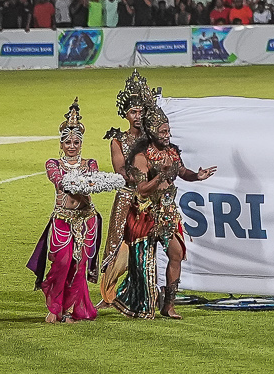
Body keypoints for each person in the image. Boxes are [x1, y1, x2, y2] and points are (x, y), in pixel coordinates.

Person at [120, 96, 217, 320]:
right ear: (152, 132)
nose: (167, 135)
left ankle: (169, 305)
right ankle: (142, 305)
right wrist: (161, 175)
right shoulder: (141, 157)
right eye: (163, 132)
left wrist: (197, 176)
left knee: (176, 254)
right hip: (145, 214)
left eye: (168, 131)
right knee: (143, 262)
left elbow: (182, 172)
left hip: (168, 212)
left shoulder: (172, 152)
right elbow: (142, 190)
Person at [27, 100, 109, 324]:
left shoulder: (90, 164)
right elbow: (59, 182)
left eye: (76, 142)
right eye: (67, 142)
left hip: (86, 220)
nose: (72, 146)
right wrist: (78, 185)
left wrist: (86, 186)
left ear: (81, 143)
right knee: (61, 263)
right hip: (63, 219)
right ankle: (55, 306)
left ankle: (71, 310)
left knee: (79, 266)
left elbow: (92, 183)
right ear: (61, 144)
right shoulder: (53, 164)